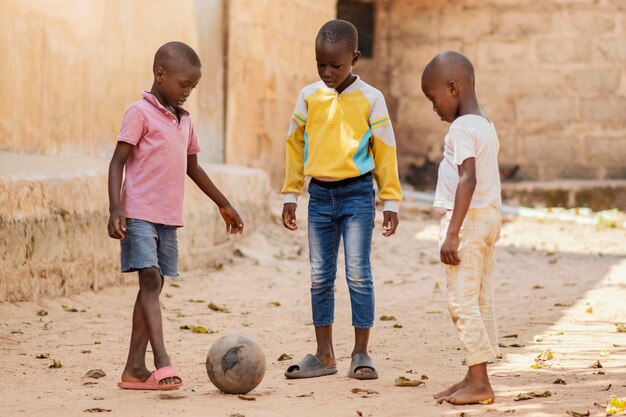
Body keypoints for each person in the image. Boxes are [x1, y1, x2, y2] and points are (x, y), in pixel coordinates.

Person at [107, 41, 243, 390]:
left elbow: (192, 167)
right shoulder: (139, 113)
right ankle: (161, 360)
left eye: (193, 87)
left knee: (154, 286)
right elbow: (118, 161)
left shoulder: (185, 121)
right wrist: (115, 208)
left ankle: (134, 369)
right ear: (160, 74)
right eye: (184, 85)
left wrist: (223, 203)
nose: (188, 93)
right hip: (138, 213)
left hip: (168, 218)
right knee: (149, 281)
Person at [281, 20, 402, 380]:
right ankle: (324, 355)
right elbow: (294, 145)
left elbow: (385, 151)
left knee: (358, 274)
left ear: (355, 59)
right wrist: (291, 193)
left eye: (335, 65)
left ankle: (361, 352)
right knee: (320, 276)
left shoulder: (372, 98)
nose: (327, 72)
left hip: (358, 195)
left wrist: (391, 201)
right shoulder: (308, 96)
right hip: (318, 195)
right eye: (321, 64)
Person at [421, 50, 502, 405]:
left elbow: (466, 179)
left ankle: (481, 382)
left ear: (453, 88)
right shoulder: (484, 124)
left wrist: (453, 231)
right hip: (488, 217)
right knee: (480, 298)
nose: (434, 107)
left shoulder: (461, 128)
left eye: (433, 97)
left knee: (461, 303)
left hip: (467, 221)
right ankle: (473, 375)